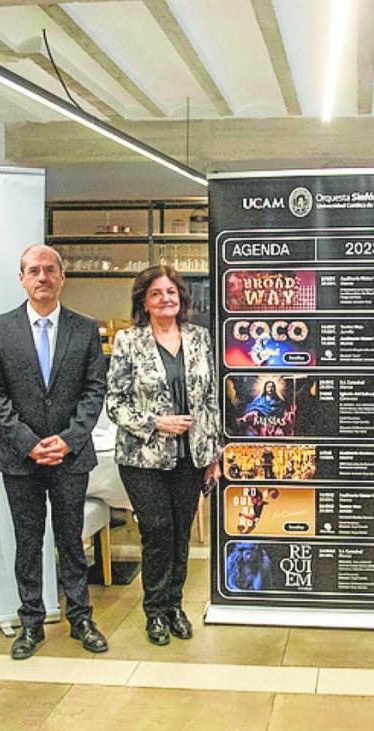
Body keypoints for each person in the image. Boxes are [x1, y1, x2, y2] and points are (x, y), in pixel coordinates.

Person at [0, 244, 108, 659]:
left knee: (71, 539)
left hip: (71, 456)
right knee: (28, 541)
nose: (42, 277)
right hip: (21, 458)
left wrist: (69, 439)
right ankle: (31, 622)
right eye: (33, 271)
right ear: (21, 278)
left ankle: (81, 618)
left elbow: (95, 390)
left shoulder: (85, 329)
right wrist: (28, 442)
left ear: (62, 277)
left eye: (50, 270)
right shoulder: (0, 328)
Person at [107, 266, 222, 645]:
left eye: (171, 292)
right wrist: (156, 422)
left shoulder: (200, 337)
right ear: (144, 300)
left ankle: (174, 606)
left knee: (180, 534)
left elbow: (210, 401)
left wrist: (213, 455)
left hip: (191, 456)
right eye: (156, 293)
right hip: (143, 458)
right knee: (157, 531)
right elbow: (115, 403)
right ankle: (154, 612)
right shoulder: (128, 341)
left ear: (181, 297)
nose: (165, 299)